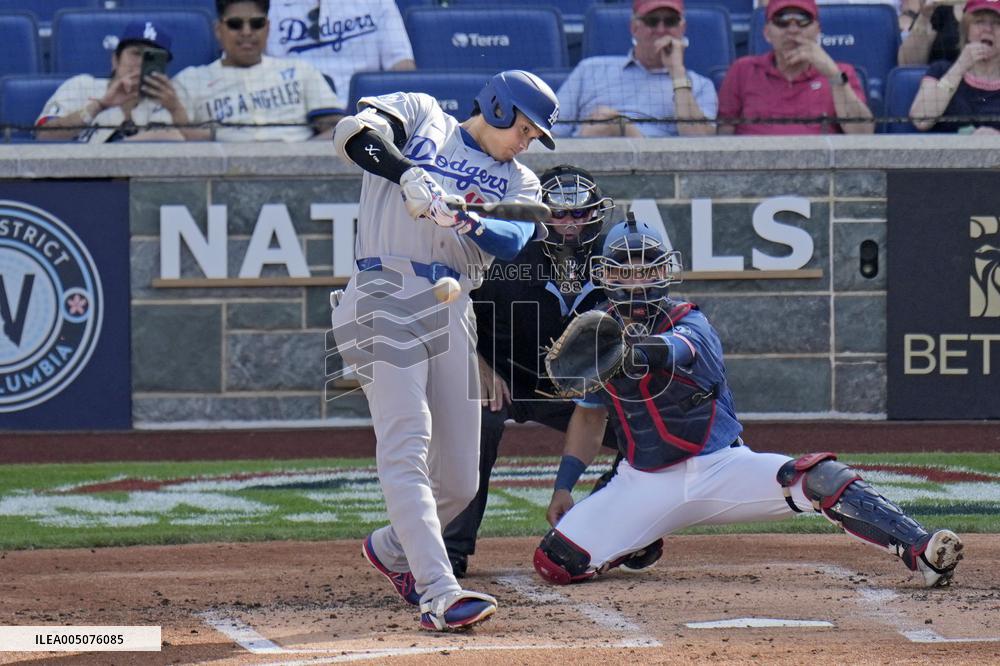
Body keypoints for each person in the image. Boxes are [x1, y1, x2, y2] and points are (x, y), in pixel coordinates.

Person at [532, 213, 965, 590]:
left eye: (646, 269)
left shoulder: (690, 319)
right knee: (555, 563)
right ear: (606, 275)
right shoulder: (596, 334)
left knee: (820, 477)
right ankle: (639, 540)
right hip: (642, 480)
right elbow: (589, 420)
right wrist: (564, 485)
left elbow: (677, 350)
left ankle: (920, 549)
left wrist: (631, 354)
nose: (636, 280)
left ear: (665, 271)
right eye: (624, 272)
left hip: (720, 467)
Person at [330, 69, 559, 631]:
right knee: (408, 440)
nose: (526, 141)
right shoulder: (423, 112)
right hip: (382, 288)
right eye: (525, 129)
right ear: (499, 108)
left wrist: (459, 214)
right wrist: (409, 174)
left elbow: (511, 240)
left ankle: (389, 550)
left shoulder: (521, 181)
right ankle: (438, 591)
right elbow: (351, 135)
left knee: (460, 480)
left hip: (454, 303)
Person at [442, 165, 620, 579]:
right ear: (539, 213)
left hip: (579, 389)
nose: (570, 223)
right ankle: (451, 547)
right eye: (559, 212)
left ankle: (605, 533)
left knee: (645, 435)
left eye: (580, 213)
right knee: (477, 418)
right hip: (505, 377)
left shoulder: (615, 261)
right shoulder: (503, 253)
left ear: (597, 213)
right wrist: (477, 361)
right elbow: (451, 304)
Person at [171, 0, 344, 142]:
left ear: (267, 28)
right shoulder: (190, 80)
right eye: (235, 24)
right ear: (218, 30)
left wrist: (301, 157)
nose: (247, 32)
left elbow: (337, 128)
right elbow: (170, 138)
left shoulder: (300, 71)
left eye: (257, 24)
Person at [554, 0, 717, 138]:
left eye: (670, 21)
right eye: (652, 21)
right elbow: (552, 131)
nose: (661, 30)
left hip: (659, 169)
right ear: (634, 28)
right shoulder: (591, 69)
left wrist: (677, 72)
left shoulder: (700, 85)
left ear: (682, 28)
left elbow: (698, 144)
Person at [718, 0, 875, 135]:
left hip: (821, 167)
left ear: (818, 31)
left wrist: (833, 74)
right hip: (754, 167)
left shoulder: (840, 73)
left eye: (803, 20)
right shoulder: (742, 70)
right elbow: (724, 133)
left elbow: (863, 133)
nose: (793, 30)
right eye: (782, 21)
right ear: (767, 33)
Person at [35, 21, 188, 143]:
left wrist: (175, 109)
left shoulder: (173, 100)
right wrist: (99, 105)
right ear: (115, 60)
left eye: (152, 57)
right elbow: (44, 136)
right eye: (136, 53)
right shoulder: (81, 86)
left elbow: (191, 147)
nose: (141, 63)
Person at [265, 0, 415, 102]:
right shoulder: (270, 6)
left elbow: (402, 67)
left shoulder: (377, 2)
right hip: (298, 115)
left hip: (366, 110)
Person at [910, 0, 1000, 133]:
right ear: (966, 31)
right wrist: (960, 66)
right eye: (979, 22)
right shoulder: (941, 70)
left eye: (997, 23)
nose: (987, 29)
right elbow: (921, 120)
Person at [898, 0, 964, 66]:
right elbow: (908, 64)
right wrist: (924, 18)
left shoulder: (972, 12)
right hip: (938, 74)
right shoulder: (939, 8)